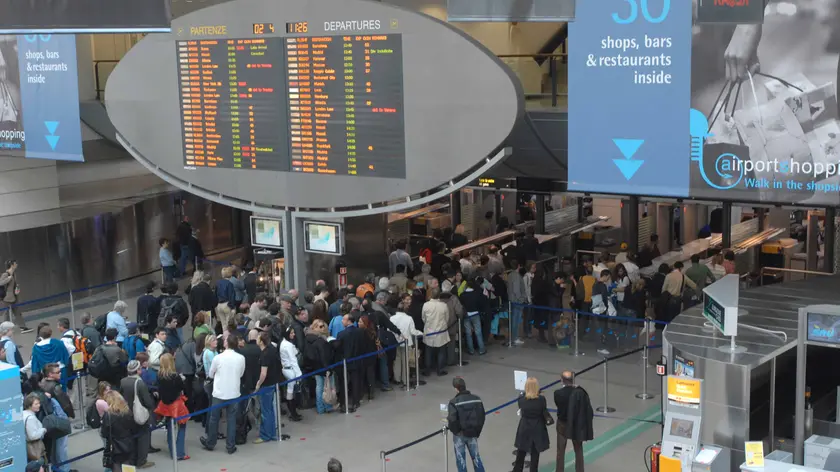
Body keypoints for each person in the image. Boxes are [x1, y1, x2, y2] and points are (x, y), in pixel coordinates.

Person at [202, 333, 245, 454]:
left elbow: (211, 374)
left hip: (219, 392)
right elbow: (241, 374)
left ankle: (211, 442)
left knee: (214, 418)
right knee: (231, 419)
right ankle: (230, 446)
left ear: (226, 343)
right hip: (234, 392)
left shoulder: (218, 358)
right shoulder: (241, 358)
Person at [554, 371, 594, 472]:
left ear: (562, 380)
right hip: (576, 424)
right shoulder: (579, 392)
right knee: (578, 449)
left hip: (562, 424)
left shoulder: (557, 393)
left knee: (560, 451)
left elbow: (558, 405)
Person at [121, 360, 156, 469]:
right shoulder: (140, 383)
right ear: (138, 370)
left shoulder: (123, 381)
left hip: (127, 414)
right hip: (139, 415)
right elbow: (148, 402)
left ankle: (132, 459)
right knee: (143, 438)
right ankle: (141, 461)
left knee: (132, 438)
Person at [155, 353, 190, 461]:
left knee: (170, 427)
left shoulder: (159, 376)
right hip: (177, 404)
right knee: (182, 426)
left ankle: (173, 452)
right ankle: (180, 452)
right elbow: (183, 388)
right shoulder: (176, 377)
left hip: (165, 404)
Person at [447, 377, 486, 472]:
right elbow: (482, 416)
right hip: (473, 433)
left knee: (461, 461)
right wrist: (477, 431)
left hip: (459, 436)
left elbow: (452, 420)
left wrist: (457, 432)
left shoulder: (453, 402)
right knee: (476, 458)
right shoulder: (477, 399)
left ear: (456, 389)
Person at [513, 377, 551, 472]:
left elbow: (521, 405)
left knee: (521, 450)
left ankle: (517, 469)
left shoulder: (521, 399)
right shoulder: (541, 400)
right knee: (535, 453)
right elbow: (543, 410)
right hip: (537, 427)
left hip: (525, 427)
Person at [101, 390, 141, 471]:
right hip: (129, 444)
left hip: (115, 447)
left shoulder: (108, 415)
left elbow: (104, 433)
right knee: (128, 465)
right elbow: (133, 428)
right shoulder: (127, 412)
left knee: (116, 466)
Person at [253, 331, 281, 443]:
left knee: (265, 411)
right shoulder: (272, 350)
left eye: (258, 338)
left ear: (261, 341)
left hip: (266, 385)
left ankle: (265, 435)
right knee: (270, 410)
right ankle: (272, 433)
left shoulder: (264, 355)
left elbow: (263, 373)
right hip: (273, 383)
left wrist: (258, 384)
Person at [303, 319, 335, 414]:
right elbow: (323, 355)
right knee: (327, 387)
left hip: (315, 366)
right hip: (323, 366)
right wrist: (327, 368)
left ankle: (320, 407)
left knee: (319, 387)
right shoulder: (320, 340)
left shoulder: (308, 338)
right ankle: (327, 405)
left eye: (323, 326)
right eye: (320, 326)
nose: (323, 328)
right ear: (314, 327)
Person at [421, 288, 450, 377]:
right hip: (441, 331)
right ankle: (440, 370)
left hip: (429, 331)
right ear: (439, 295)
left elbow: (423, 318)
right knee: (441, 351)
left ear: (431, 295)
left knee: (428, 351)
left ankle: (428, 370)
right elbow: (447, 318)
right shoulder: (444, 305)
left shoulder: (426, 305)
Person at [280, 327, 304, 421]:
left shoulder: (284, 343)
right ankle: (293, 414)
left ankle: (293, 413)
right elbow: (293, 360)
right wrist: (299, 374)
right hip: (291, 371)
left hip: (286, 369)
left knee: (290, 391)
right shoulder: (288, 345)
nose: (293, 334)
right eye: (291, 333)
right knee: (290, 392)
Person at [0, 260, 31, 333]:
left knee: (17, 312)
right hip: (6, 298)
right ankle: (4, 329)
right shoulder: (6, 274)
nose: (16, 264)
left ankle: (22, 327)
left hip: (13, 296)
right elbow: (1, 282)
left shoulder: (14, 274)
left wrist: (16, 289)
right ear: (12, 265)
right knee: (6, 314)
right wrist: (9, 279)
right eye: (15, 263)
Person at [459, 278, 487, 356]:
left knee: (468, 333)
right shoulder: (477, 294)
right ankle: (482, 349)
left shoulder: (462, 295)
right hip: (476, 315)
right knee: (478, 332)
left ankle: (471, 350)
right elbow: (482, 304)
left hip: (466, 316)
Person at [507, 265, 528, 346]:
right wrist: (521, 299)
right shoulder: (516, 276)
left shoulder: (509, 275)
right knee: (515, 321)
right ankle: (514, 338)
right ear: (518, 266)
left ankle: (512, 337)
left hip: (512, 301)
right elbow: (516, 290)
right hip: (517, 301)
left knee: (513, 320)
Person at [23, 393, 46, 462]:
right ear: (29, 405)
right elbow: (32, 436)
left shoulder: (24, 413)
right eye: (36, 404)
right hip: (34, 448)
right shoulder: (31, 418)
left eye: (39, 403)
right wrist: (43, 430)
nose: (39, 405)